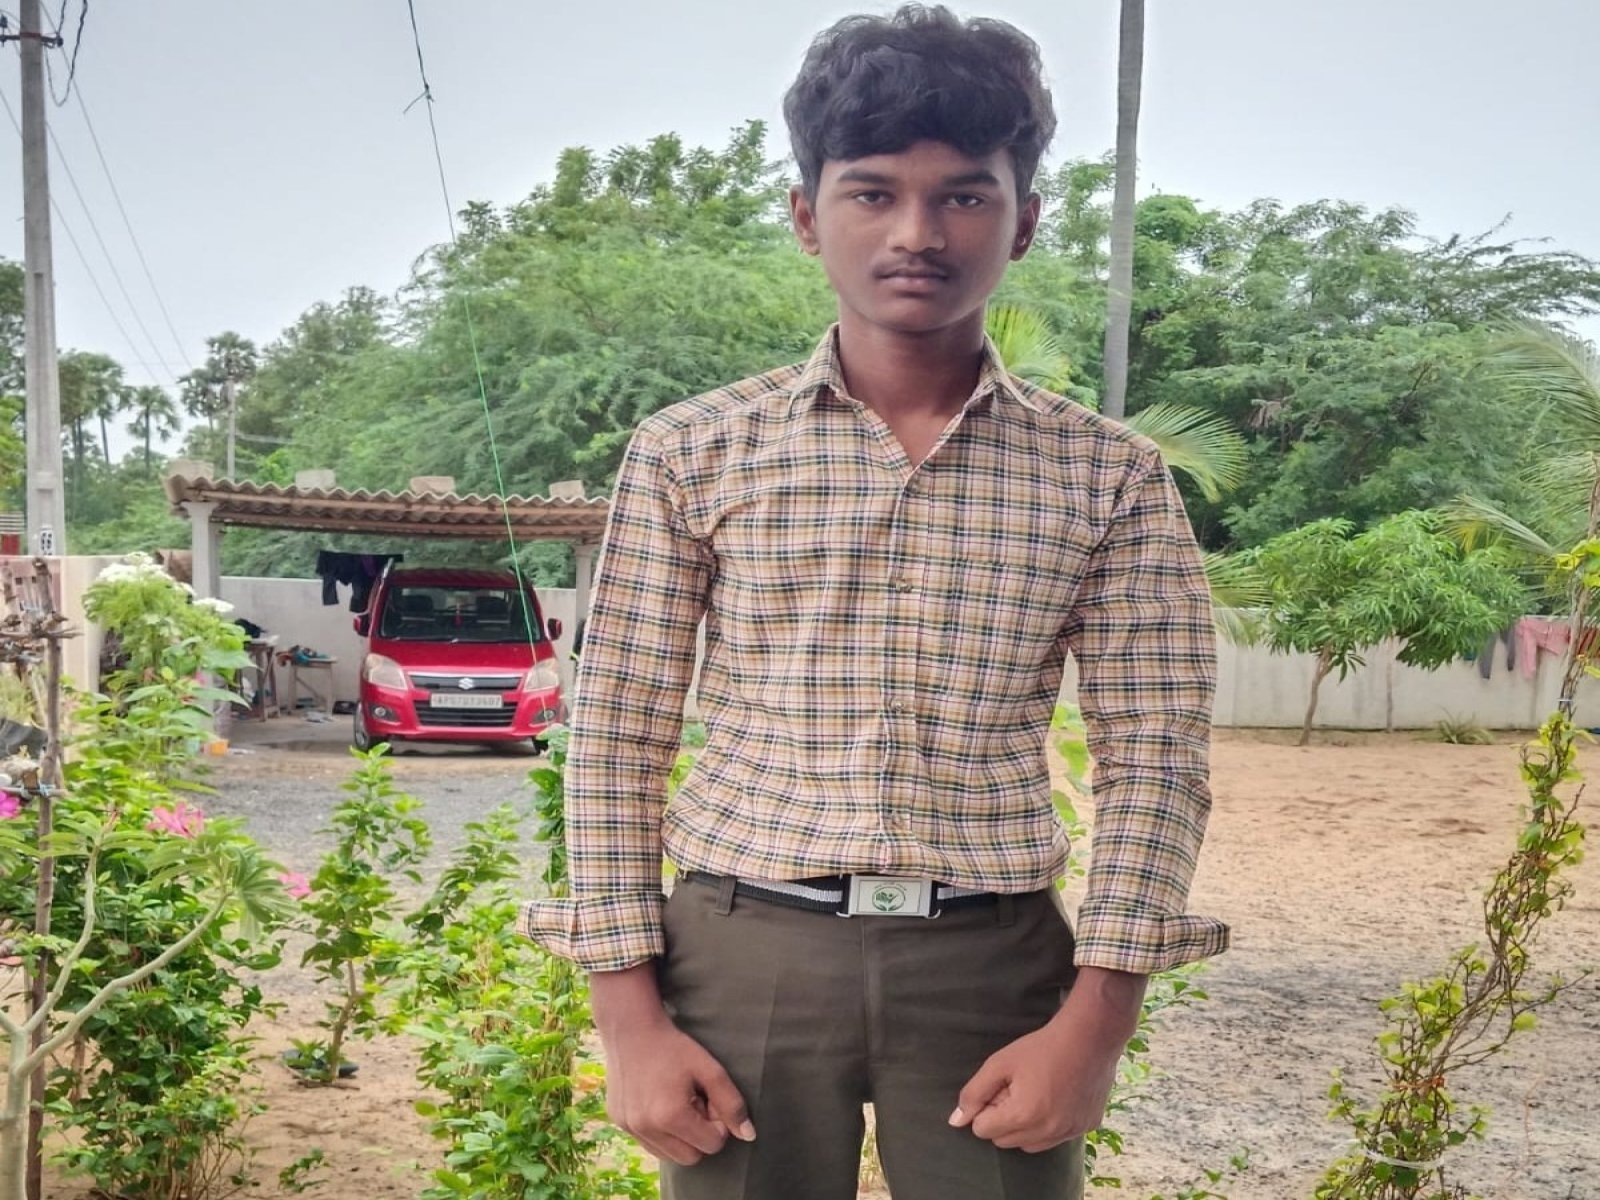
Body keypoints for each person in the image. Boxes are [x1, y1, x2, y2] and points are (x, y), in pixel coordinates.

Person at [520, 7, 1229, 1198]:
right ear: (807, 215)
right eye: (871, 193)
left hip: (990, 968)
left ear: (1024, 219)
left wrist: (1095, 1027)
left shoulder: (1107, 475)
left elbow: (1155, 753)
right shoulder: (693, 451)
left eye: (963, 195)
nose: (917, 232)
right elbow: (618, 733)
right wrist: (628, 1021)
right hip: (745, 952)